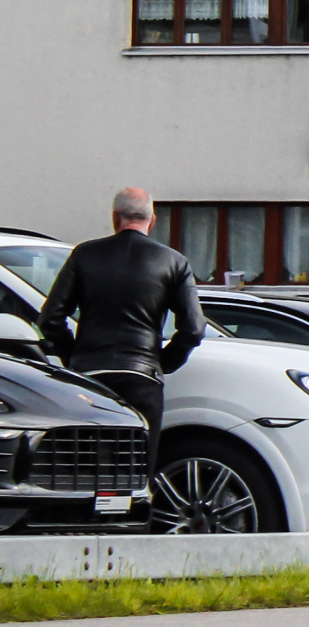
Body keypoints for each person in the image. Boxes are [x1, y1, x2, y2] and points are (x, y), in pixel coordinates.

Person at [38, 188, 205, 467]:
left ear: (115, 218)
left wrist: (74, 356)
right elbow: (194, 329)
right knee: (136, 472)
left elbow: (50, 318)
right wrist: (162, 362)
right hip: (142, 378)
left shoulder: (84, 255)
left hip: (89, 378)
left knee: (82, 469)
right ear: (153, 220)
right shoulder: (174, 261)